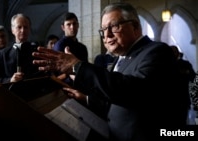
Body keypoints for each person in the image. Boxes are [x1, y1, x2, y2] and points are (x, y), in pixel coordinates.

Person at [33, 2, 189, 141]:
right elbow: (115, 99)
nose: (106, 35)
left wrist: (78, 66)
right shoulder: (120, 58)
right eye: (103, 30)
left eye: (114, 26)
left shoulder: (157, 52)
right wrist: (87, 98)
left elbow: (132, 91)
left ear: (134, 26)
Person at [0, 13, 43, 84]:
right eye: (19, 27)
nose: (23, 30)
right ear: (12, 30)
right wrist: (10, 80)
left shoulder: (37, 51)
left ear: (29, 29)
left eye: (26, 27)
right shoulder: (3, 54)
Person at [53, 12, 88, 85]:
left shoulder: (82, 48)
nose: (72, 27)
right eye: (68, 24)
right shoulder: (59, 46)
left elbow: (86, 69)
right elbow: (57, 73)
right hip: (65, 87)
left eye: (74, 24)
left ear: (78, 25)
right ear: (63, 27)